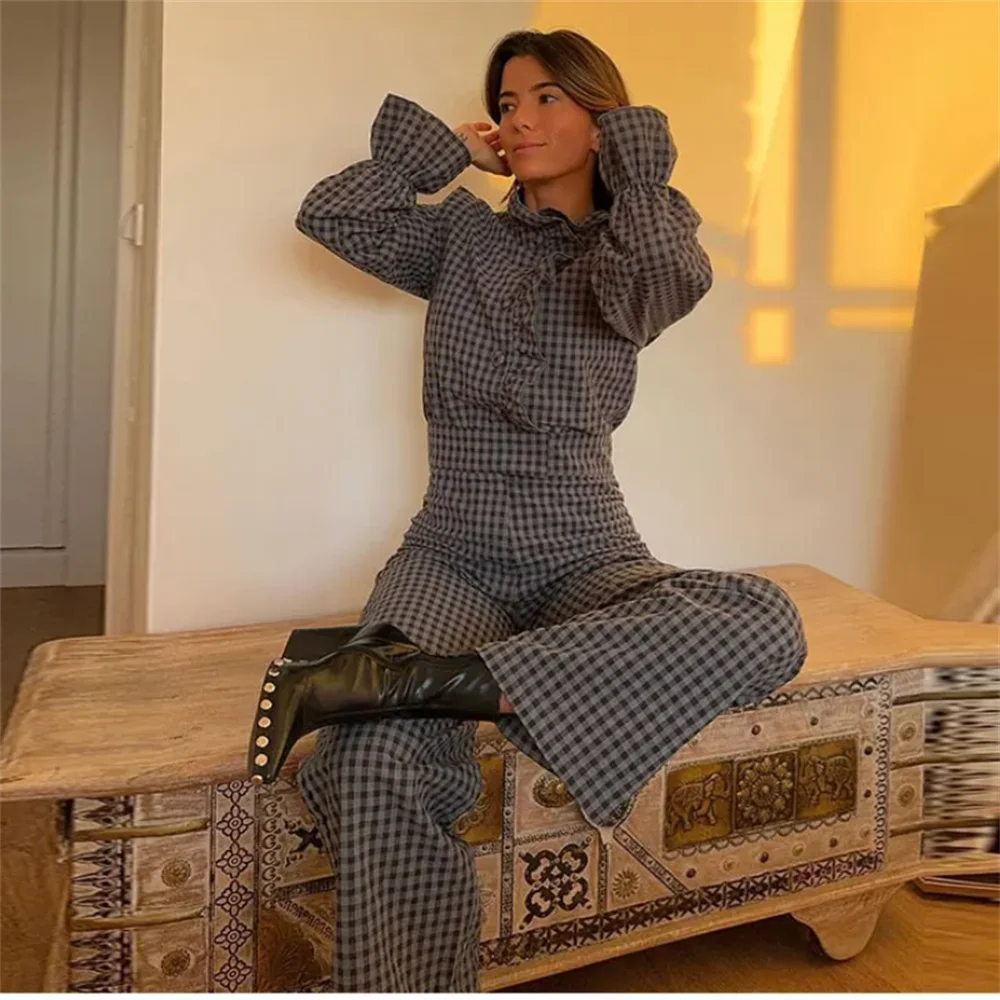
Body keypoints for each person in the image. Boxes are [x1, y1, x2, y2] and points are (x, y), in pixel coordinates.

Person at [247, 28, 808, 992]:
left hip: (587, 549)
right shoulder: (462, 237)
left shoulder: (640, 245)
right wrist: (441, 154)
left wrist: (634, 170)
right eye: (507, 104)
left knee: (765, 619)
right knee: (367, 762)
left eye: (548, 98)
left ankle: (416, 678)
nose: (518, 119)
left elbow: (660, 283)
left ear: (605, 120)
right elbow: (331, 214)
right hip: (450, 552)